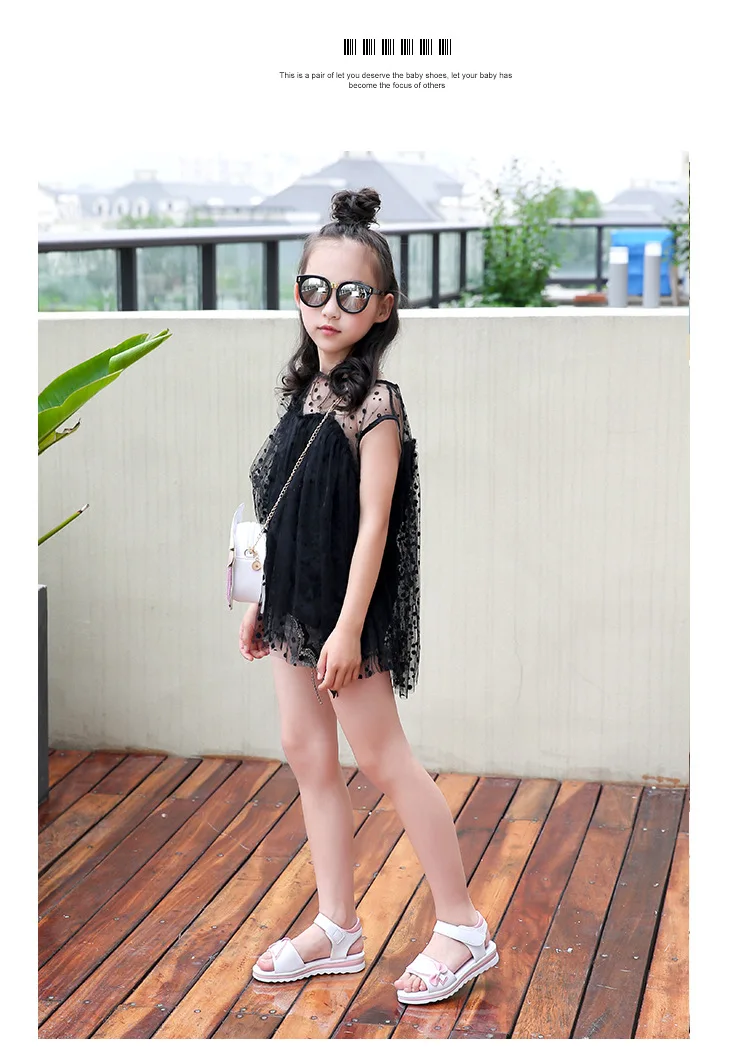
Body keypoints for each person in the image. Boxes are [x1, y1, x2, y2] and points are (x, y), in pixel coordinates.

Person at [238, 187, 498, 1005]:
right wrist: (262, 599)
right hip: (294, 607)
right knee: (307, 753)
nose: (330, 308)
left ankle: (463, 926)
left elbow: (374, 525)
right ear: (298, 292)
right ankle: (338, 927)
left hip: (345, 615)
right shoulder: (301, 394)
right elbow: (285, 513)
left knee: (385, 761)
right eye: (316, 289)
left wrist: (348, 628)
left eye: (352, 295)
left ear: (383, 308)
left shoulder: (375, 406)